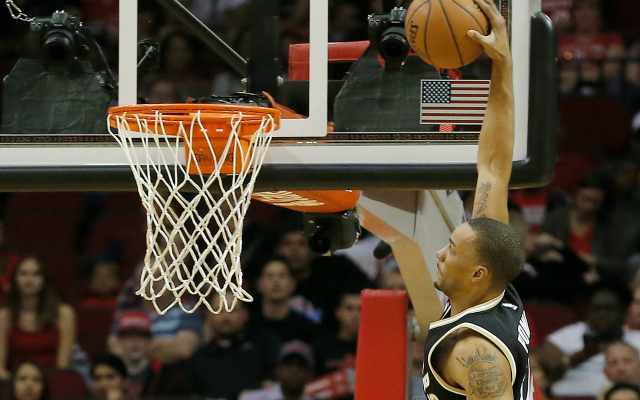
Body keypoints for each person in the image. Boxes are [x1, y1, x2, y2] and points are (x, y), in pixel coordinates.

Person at [421, 2, 532, 400]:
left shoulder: (474, 349)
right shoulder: (493, 286)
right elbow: (493, 166)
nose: (439, 253)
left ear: (477, 274)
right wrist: (501, 64)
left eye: (451, 250)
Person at [537, 283, 640, 397]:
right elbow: (543, 368)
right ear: (587, 311)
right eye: (597, 309)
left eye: (609, 308)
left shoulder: (637, 338)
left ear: (623, 311)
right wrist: (582, 356)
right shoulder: (567, 336)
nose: (602, 314)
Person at [185, 292, 281, 399]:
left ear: (245, 314)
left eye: (232, 310)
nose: (226, 317)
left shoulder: (264, 345)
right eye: (219, 310)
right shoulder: (199, 358)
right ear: (208, 315)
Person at [0, 256, 76, 380]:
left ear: (44, 279)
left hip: (52, 383)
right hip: (14, 384)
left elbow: (63, 366)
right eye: (23, 274)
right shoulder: (4, 315)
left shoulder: (64, 313)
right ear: (15, 279)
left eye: (36, 274)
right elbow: (0, 368)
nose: (29, 279)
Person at [247, 257, 318, 345]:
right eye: (269, 276)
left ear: (293, 283)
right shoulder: (247, 327)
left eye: (282, 276)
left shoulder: (307, 329)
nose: (276, 282)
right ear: (258, 284)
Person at [239, 340, 316, 400]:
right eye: (288, 364)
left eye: (301, 365)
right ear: (277, 369)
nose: (294, 370)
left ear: (309, 372)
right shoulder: (252, 398)